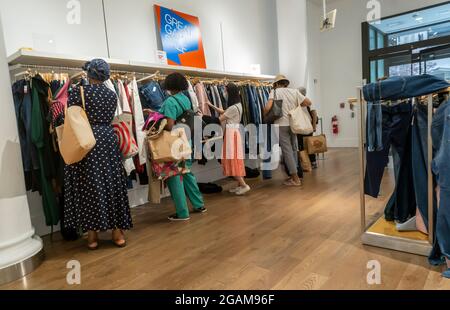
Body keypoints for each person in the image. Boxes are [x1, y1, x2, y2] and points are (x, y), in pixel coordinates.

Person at [64, 59, 133, 250]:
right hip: (108, 139)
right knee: (112, 182)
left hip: (87, 140)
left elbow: (70, 116)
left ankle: (92, 236)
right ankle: (117, 232)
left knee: (89, 184)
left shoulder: (78, 92)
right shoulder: (111, 94)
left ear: (88, 74)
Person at [159, 73, 207, 221]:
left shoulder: (169, 102)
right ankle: (199, 204)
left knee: (174, 177)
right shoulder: (185, 98)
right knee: (187, 173)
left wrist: (157, 119)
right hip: (187, 141)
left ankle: (182, 213)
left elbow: (170, 125)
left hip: (175, 144)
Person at [263, 75, 312, 187]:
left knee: (287, 151)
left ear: (276, 84)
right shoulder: (294, 92)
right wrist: (295, 107)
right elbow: (308, 102)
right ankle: (294, 175)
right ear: (286, 83)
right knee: (293, 149)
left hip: (281, 124)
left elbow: (267, 108)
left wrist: (265, 116)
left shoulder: (274, 92)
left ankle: (295, 179)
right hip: (293, 124)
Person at [208, 83, 251, 195]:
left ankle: (244, 185)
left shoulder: (233, 107)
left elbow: (220, 119)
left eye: (225, 90)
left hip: (231, 134)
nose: (224, 92)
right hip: (235, 132)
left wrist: (203, 118)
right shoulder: (238, 105)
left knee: (232, 160)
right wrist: (211, 105)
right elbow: (224, 112)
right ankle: (240, 186)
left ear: (229, 92)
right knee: (235, 159)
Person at [298, 87, 319, 169]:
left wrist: (314, 126)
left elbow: (314, 115)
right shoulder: (297, 103)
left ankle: (313, 162)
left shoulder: (309, 102)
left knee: (309, 145)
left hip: (308, 126)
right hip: (299, 127)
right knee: (301, 146)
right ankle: (305, 163)